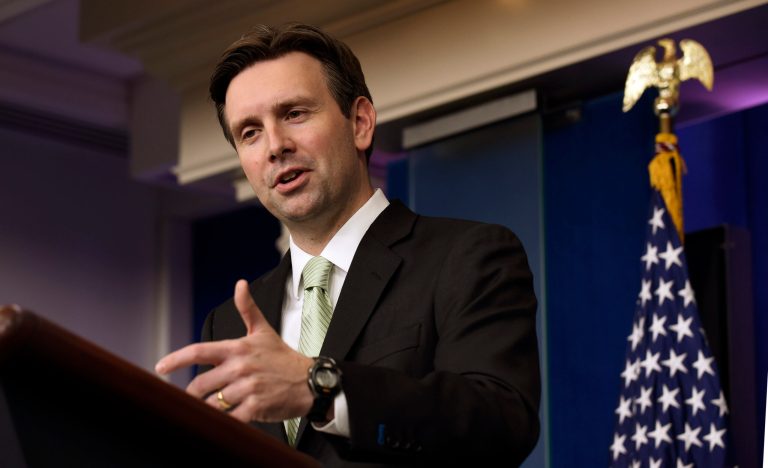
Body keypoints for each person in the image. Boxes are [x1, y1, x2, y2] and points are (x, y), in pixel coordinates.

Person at [156, 22, 540, 466]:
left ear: (360, 123)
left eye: (294, 113)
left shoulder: (468, 256)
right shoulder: (229, 323)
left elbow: (500, 423)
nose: (275, 146)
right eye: (250, 132)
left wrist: (320, 387)